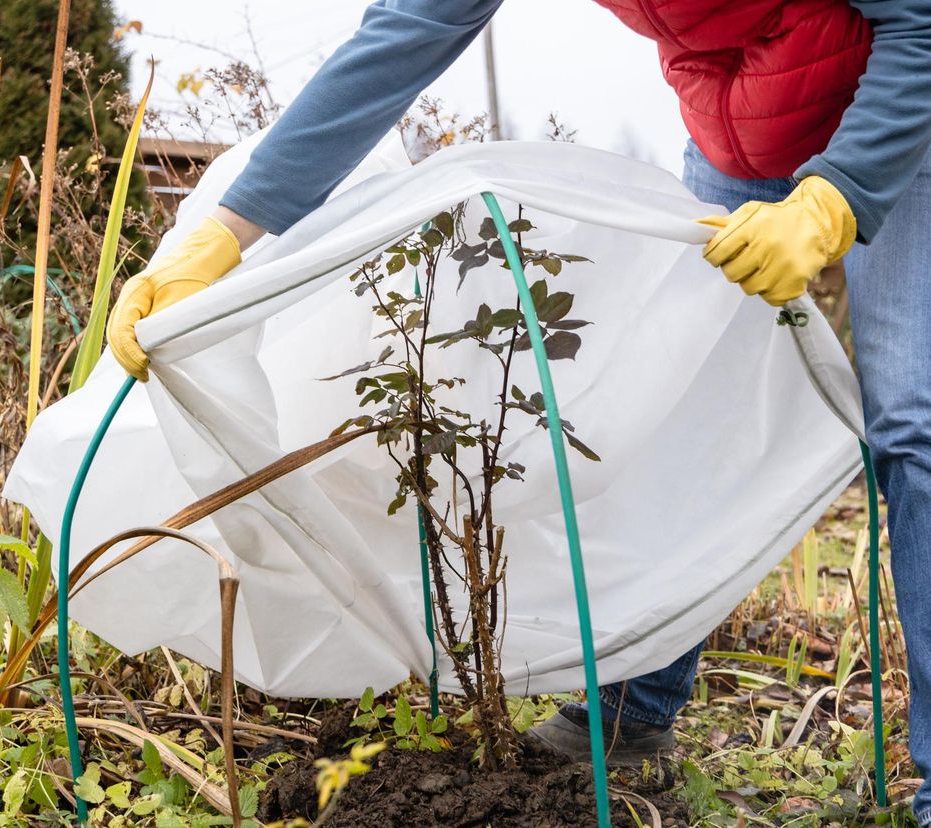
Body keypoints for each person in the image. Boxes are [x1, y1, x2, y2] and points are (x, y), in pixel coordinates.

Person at [106, 1, 931, 822]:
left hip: (903, 94)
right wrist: (221, 237)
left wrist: (835, 199)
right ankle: (635, 712)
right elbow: (405, 35)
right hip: (742, 120)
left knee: (912, 422)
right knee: (672, 398)